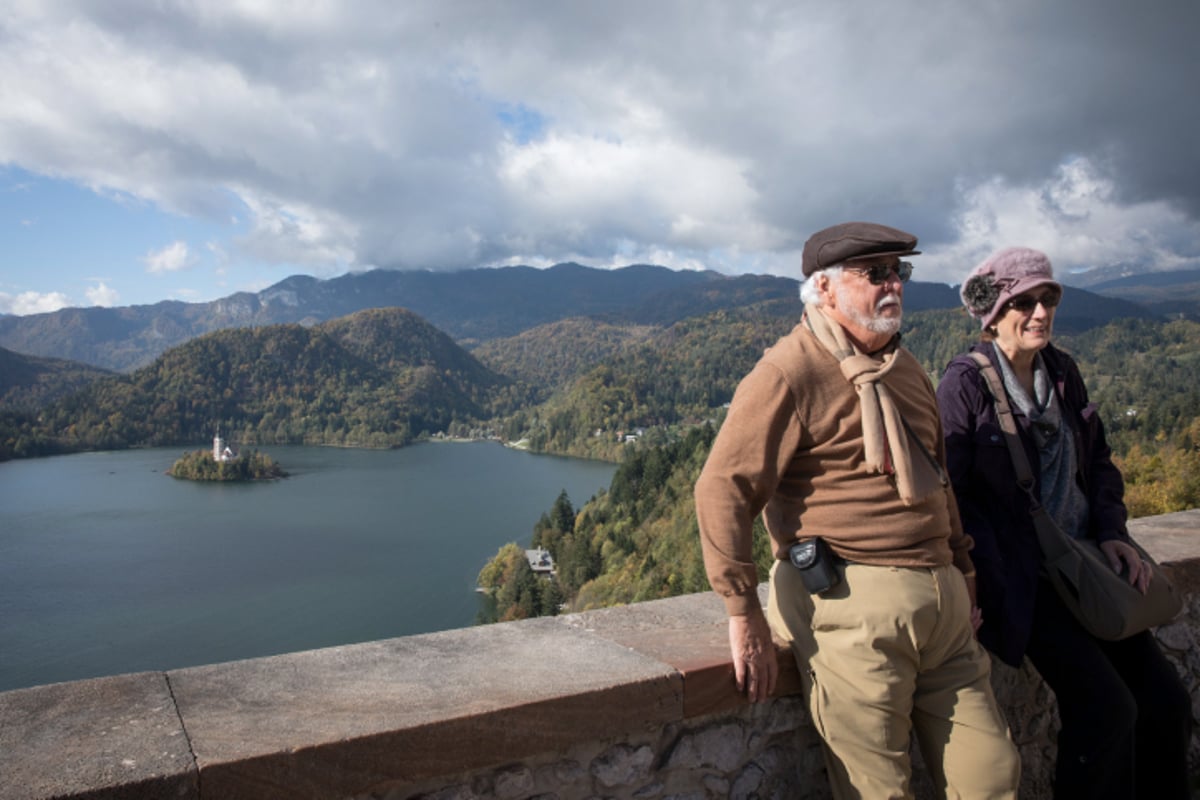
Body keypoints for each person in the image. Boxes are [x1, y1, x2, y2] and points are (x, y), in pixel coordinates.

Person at [695, 221, 1020, 799]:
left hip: (942, 612)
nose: (893, 284)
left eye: (900, 271)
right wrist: (743, 611)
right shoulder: (789, 370)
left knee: (993, 775)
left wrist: (964, 570)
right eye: (874, 274)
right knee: (878, 793)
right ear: (823, 290)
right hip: (852, 608)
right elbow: (722, 487)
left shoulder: (905, 367)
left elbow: (939, 482)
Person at [936, 246, 1192, 799]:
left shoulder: (1061, 370)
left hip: (1086, 563)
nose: (1040, 312)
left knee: (1166, 702)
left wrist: (1112, 532)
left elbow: (1097, 460)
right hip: (1027, 582)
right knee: (1107, 711)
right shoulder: (967, 385)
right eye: (1022, 302)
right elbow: (948, 493)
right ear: (994, 314)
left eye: (1047, 298)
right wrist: (967, 573)